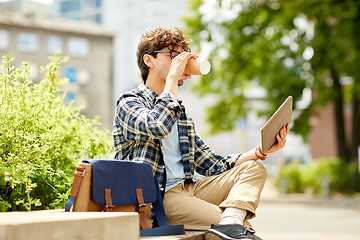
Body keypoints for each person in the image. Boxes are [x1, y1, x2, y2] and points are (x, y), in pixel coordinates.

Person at [113, 27, 290, 240]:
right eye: (173, 55)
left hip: (190, 188)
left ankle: (230, 221)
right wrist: (172, 79)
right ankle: (231, 223)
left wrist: (260, 151)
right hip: (159, 196)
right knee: (239, 228)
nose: (180, 61)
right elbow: (157, 126)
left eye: (182, 56)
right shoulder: (129, 102)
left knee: (253, 169)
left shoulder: (180, 113)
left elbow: (210, 163)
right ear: (149, 60)